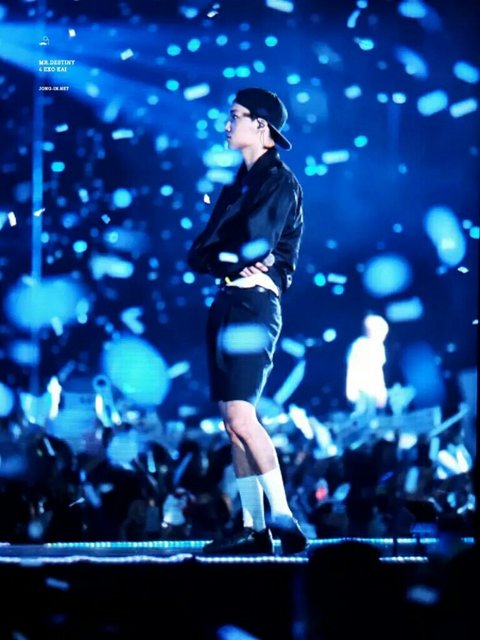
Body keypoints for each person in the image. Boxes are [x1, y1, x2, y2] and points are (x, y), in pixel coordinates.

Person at [187, 87, 308, 555]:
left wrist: (231, 253)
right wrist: (227, 255)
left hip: (254, 306)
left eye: (235, 116)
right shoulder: (236, 186)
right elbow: (201, 252)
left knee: (241, 414)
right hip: (228, 300)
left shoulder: (279, 181)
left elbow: (254, 242)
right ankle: (254, 527)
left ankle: (284, 518)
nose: (226, 124)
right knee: (231, 422)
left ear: (261, 126)